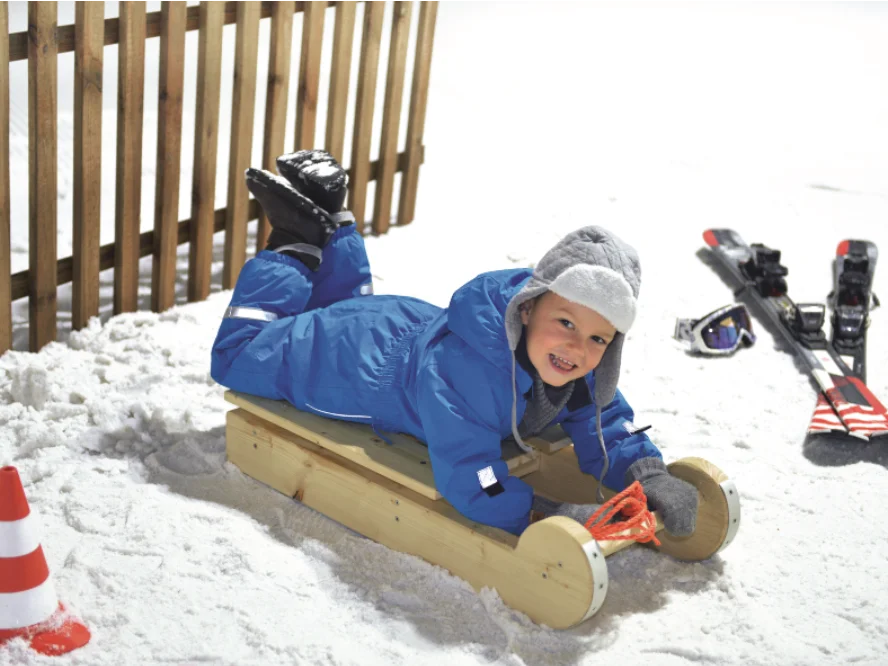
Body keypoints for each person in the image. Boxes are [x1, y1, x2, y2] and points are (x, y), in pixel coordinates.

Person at [210, 150, 698, 537]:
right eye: (566, 323)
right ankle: (295, 245)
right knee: (240, 356)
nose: (577, 348)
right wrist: (537, 516)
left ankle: (332, 224)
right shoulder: (469, 375)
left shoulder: (576, 363)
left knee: (332, 306)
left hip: (402, 326)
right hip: (355, 361)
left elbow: (608, 423)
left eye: (597, 338)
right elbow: (472, 474)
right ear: (526, 308)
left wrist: (648, 474)